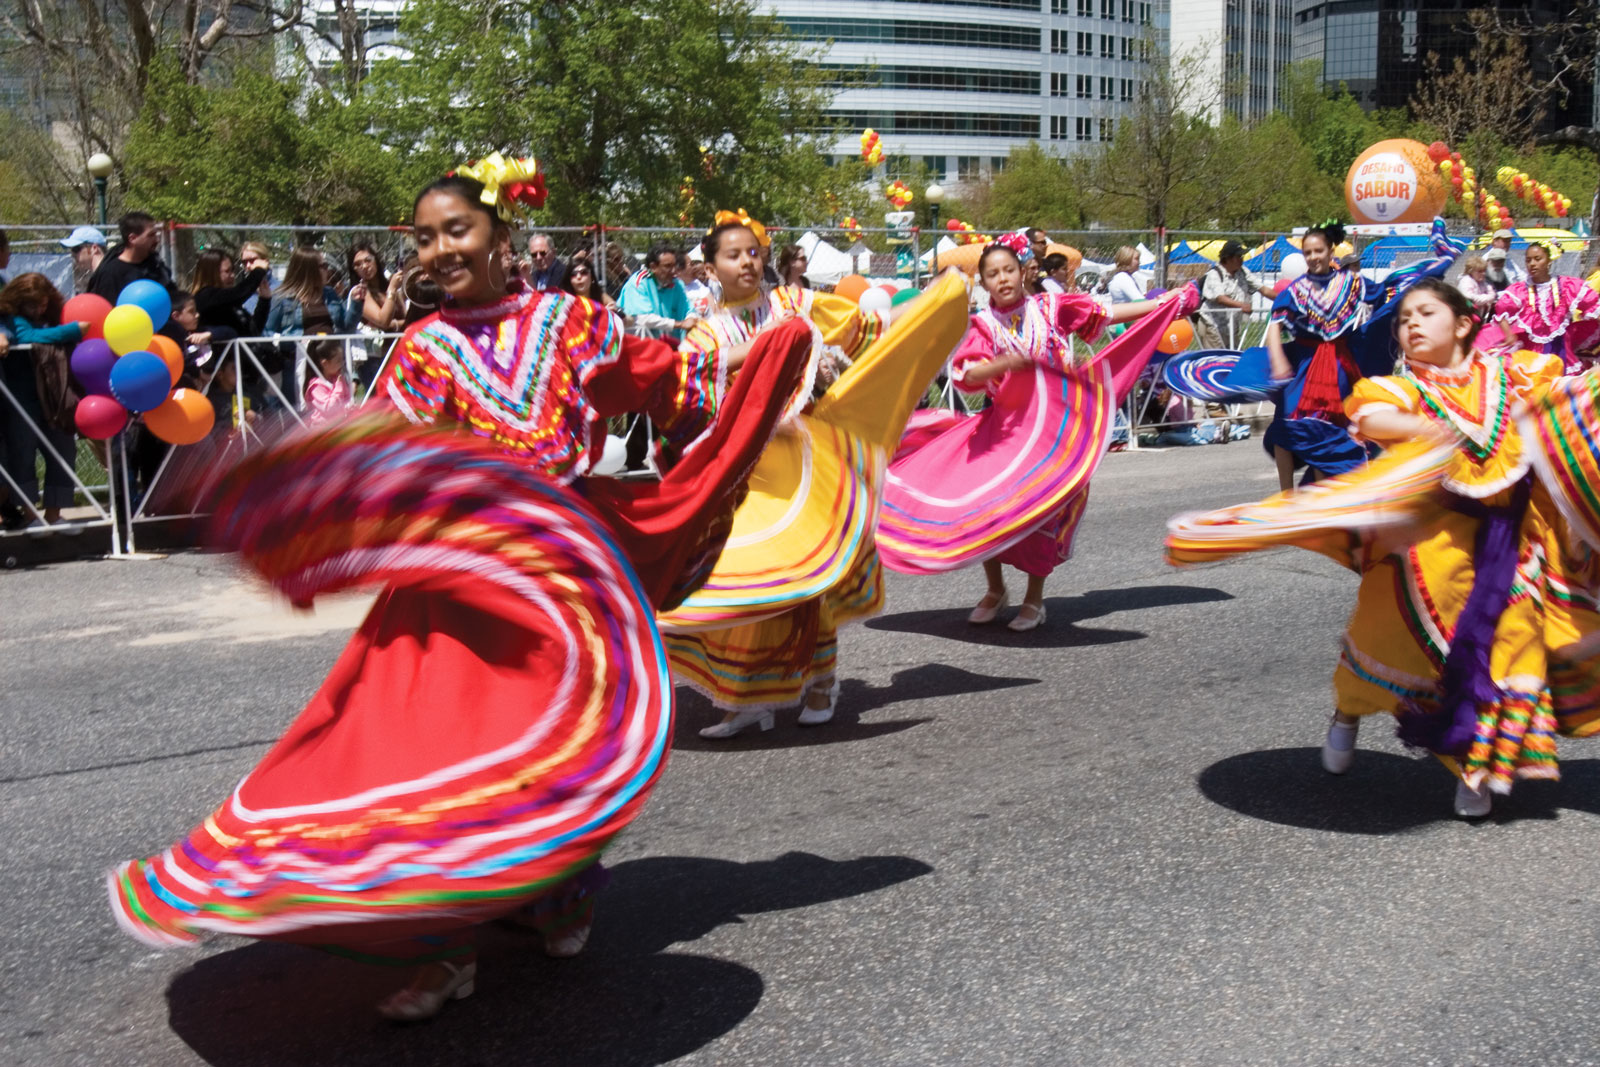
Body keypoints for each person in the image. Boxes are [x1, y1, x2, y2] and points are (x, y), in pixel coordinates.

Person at [110, 163, 814, 1022]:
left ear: (501, 239)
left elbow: (662, 380)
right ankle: (441, 948)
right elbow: (383, 455)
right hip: (458, 582)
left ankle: (561, 890)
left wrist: (738, 391)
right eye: (424, 238)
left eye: (457, 231)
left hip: (565, 577)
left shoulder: (570, 320)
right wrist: (285, 483)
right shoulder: (422, 347)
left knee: (563, 741)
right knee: (421, 754)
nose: (440, 249)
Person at [1167, 277, 1600, 818]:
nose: (1411, 323)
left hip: (1511, 545)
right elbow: (1373, 418)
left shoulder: (1517, 375)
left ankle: (1474, 767)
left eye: (1426, 313)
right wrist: (1427, 432)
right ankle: (1347, 715)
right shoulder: (1399, 390)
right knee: (1395, 646)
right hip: (1427, 549)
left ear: (1464, 324)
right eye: (1404, 318)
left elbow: (1572, 403)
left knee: (1513, 644)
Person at [660, 211, 969, 737]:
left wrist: (930, 300)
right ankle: (749, 697)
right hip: (748, 473)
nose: (746, 263)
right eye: (733, 255)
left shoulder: (793, 304)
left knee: (810, 572)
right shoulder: (705, 336)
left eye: (753, 252)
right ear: (710, 268)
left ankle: (823, 680)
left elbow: (863, 328)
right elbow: (692, 395)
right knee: (746, 576)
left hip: (807, 460)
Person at [876, 233, 1201, 630]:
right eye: (993, 274)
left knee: (1042, 513)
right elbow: (967, 375)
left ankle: (1034, 598)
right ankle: (995, 589)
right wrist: (1005, 364)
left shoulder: (1050, 307)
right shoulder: (982, 325)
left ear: (1023, 272)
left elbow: (1107, 313)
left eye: (1008, 270)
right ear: (984, 282)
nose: (1002, 279)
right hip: (1003, 432)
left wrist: (1165, 303)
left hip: (1054, 433)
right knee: (986, 511)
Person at [0, 273, 86, 528]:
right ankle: (30, 514)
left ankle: (54, 514)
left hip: (53, 398)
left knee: (64, 449)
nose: (39, 309)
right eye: (33, 304)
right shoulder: (12, 319)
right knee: (22, 454)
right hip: (22, 400)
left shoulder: (51, 318)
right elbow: (27, 337)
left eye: (43, 303)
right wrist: (72, 331)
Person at [1489, 241, 1600, 372]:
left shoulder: (1565, 285)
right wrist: (1509, 335)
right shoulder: (1519, 290)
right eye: (1528, 260)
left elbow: (1592, 303)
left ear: (1548, 261)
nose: (1532, 264)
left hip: (1560, 347)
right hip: (1531, 349)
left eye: (1537, 259)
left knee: (1562, 377)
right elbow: (1502, 313)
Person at [265, 247, 352, 408]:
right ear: (308, 270)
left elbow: (346, 325)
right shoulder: (282, 298)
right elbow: (267, 331)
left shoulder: (329, 294)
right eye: (323, 266)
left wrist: (357, 304)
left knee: (335, 408)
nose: (327, 270)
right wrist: (295, 341)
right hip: (297, 363)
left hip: (328, 363)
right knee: (298, 412)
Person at [1196, 240, 1271, 350]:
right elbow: (1220, 298)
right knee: (1216, 359)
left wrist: (1283, 298)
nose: (1242, 259)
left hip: (1232, 329)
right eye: (1238, 256)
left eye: (1242, 256)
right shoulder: (1214, 274)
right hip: (1213, 328)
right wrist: (1242, 305)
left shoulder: (1243, 272)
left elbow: (1263, 289)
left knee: (1233, 357)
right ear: (1228, 258)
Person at [85, 212, 172, 303]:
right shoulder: (111, 274)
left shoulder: (155, 264)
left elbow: (172, 295)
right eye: (151, 235)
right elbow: (107, 308)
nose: (157, 240)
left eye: (156, 234)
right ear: (132, 238)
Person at [619, 243, 696, 341]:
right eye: (668, 266)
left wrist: (691, 318)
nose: (673, 271)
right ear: (653, 267)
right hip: (643, 344)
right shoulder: (639, 283)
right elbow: (643, 318)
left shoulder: (677, 284)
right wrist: (680, 324)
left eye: (674, 265)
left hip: (672, 344)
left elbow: (689, 309)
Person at [192, 247, 271, 340]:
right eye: (227, 271)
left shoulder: (229, 300)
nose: (232, 275)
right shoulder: (205, 296)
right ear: (212, 273)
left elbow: (253, 331)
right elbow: (240, 293)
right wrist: (258, 271)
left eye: (232, 270)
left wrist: (264, 300)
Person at [60, 226, 107, 293]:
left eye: (76, 249)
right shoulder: (98, 276)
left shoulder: (108, 275)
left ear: (94, 248)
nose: (72, 254)